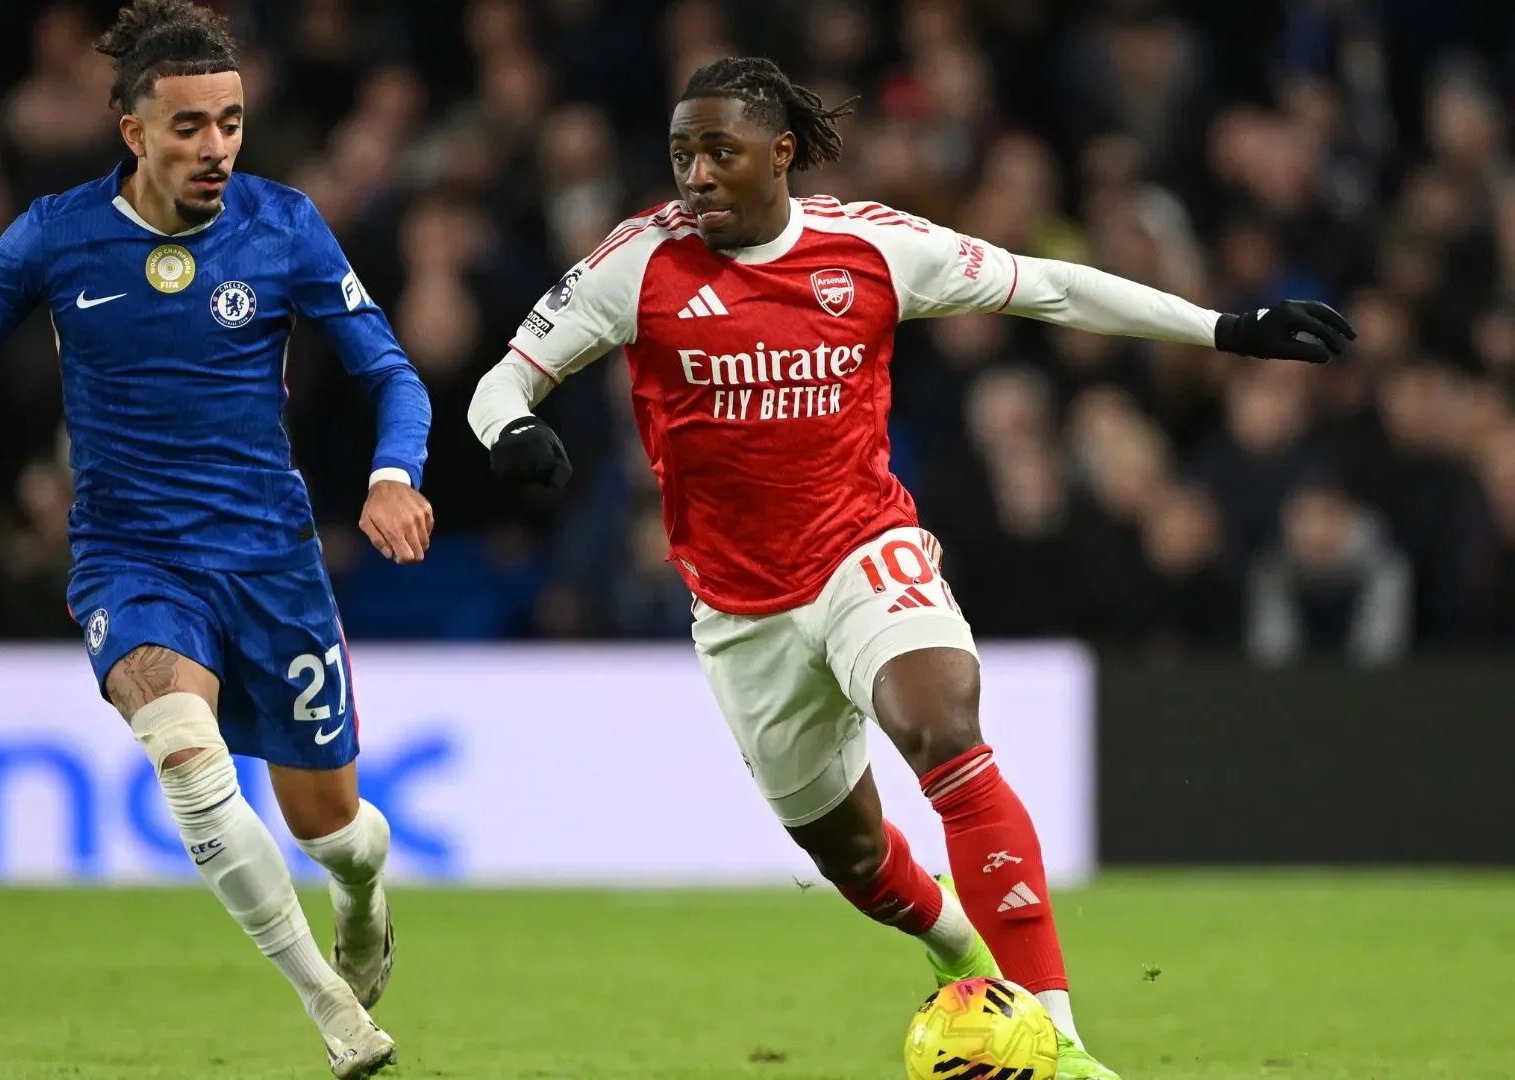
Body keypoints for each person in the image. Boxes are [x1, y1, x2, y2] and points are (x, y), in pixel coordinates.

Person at [470, 56, 1353, 1080]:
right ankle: (956, 948)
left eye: (720, 152)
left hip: (863, 547)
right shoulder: (637, 264)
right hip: (740, 609)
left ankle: (1057, 1040)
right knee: (849, 856)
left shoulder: (873, 247)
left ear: (781, 153)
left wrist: (1224, 328)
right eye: (682, 155)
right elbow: (502, 382)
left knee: (942, 727)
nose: (697, 176)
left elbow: (1050, 287)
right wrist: (511, 431)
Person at [0, 3, 431, 1076]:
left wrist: (392, 476)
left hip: (271, 563)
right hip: (130, 559)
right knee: (190, 767)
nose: (216, 147)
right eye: (189, 126)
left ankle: (361, 892)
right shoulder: (56, 234)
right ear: (133, 131)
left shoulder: (284, 226)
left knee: (332, 828)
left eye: (230, 123)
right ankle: (332, 1010)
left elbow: (391, 372)